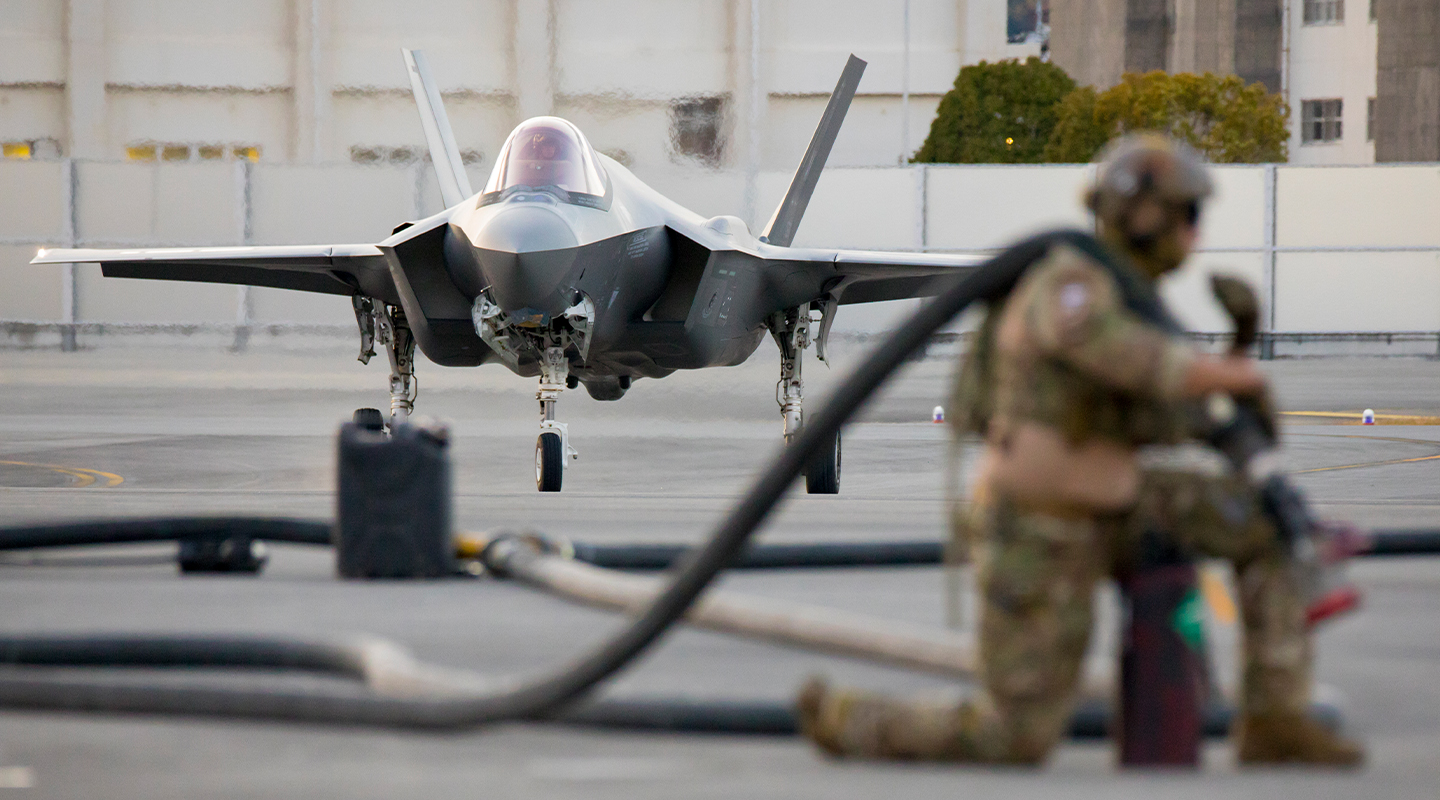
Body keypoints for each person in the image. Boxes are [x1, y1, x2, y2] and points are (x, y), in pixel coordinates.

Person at [795, 133, 1364, 767]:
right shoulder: (1071, 283)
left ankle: (1275, 722)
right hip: (1039, 527)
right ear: (1145, 216)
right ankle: (848, 719)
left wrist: (1235, 401)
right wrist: (1233, 376)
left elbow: (1171, 408)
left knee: (1267, 524)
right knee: (1012, 737)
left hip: (1121, 504)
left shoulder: (1133, 295)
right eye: (1189, 215)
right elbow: (1126, 357)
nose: (1195, 234)